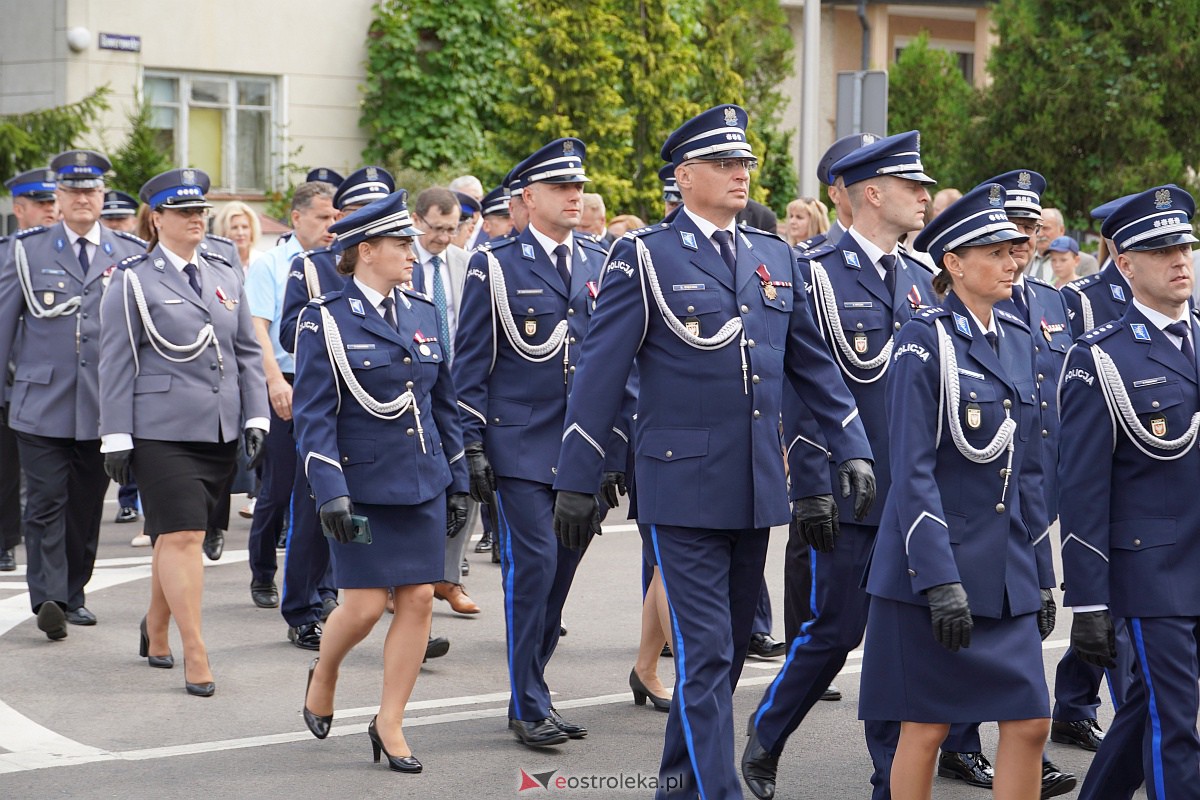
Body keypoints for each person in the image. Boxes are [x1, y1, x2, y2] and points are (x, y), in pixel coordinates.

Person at [551, 104, 874, 799]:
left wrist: (852, 446)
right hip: (682, 484)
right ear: (684, 176)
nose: (740, 173)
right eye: (725, 164)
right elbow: (601, 376)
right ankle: (715, 790)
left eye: (746, 164)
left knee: (721, 661)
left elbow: (812, 363)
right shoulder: (646, 255)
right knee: (708, 654)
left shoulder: (774, 256)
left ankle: (676, 783)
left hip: (754, 485)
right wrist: (578, 475)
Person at [742, 130, 938, 800]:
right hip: (846, 490)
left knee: (900, 637)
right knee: (836, 630)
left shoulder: (919, 277)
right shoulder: (814, 269)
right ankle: (767, 733)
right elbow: (797, 388)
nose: (925, 196)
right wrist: (810, 487)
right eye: (912, 186)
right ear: (872, 193)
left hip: (911, 494)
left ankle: (890, 771)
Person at [858, 182, 1056, 800]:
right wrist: (937, 578)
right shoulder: (925, 339)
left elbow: (1025, 470)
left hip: (1003, 567)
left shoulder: (1019, 337)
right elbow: (911, 469)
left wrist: (1041, 574)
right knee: (926, 726)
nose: (1012, 261)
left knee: (1030, 722)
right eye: (995, 251)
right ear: (953, 263)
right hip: (935, 570)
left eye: (1015, 250)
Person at [453, 137, 621, 749]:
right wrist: (470, 445)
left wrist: (613, 452)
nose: (575, 197)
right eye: (561, 188)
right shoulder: (494, 264)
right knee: (536, 569)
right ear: (528, 197)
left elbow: (615, 367)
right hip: (520, 443)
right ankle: (526, 702)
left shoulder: (602, 261)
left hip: (583, 447)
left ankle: (535, 688)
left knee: (561, 577)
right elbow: (471, 362)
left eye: (579, 187)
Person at [294, 190, 469, 772]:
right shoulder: (325, 320)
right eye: (401, 244)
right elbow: (314, 416)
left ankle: (389, 720)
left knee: (418, 598)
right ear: (366, 251)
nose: (413, 253)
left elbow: (443, 403)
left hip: (422, 478)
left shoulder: (421, 312)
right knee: (365, 607)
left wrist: (461, 477)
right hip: (362, 484)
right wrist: (330, 491)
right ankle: (326, 669)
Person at [98, 168, 268, 694]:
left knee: (177, 538)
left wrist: (256, 413)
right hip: (160, 429)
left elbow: (245, 351)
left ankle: (155, 626)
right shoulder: (133, 277)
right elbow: (116, 361)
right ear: (158, 219)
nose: (197, 219)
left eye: (200, 211)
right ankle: (196, 649)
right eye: (184, 212)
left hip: (218, 427)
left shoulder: (223, 270)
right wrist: (116, 435)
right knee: (184, 536)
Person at [934, 170, 1076, 798]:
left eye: (1027, 230)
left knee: (1016, 635)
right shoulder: (947, 320)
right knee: (966, 636)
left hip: (1032, 482)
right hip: (972, 493)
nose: (1020, 242)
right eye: (1009, 232)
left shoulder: (1049, 304)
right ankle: (960, 746)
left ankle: (1011, 751)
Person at [1058, 184, 1200, 800]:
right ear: (1125, 263)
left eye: (1186, 247)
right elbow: (1082, 487)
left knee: (1147, 705)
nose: (1180, 260)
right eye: (1162, 249)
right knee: (1179, 722)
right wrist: (1089, 600)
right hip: (1153, 568)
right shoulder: (1101, 359)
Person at [0, 150, 146, 639]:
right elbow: (4, 327)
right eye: (73, 191)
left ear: (103, 197)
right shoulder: (25, 250)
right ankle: (48, 598)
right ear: (57, 198)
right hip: (39, 402)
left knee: (85, 503)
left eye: (91, 191)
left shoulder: (128, 251)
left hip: (104, 404)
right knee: (43, 501)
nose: (83, 199)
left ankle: (75, 592)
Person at [243, 181, 337, 634]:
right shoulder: (271, 265)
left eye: (334, 216)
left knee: (323, 488)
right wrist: (275, 381)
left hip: (326, 383)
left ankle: (325, 588)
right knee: (279, 489)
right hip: (286, 380)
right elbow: (259, 329)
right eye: (322, 217)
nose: (329, 225)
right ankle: (263, 571)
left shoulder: (336, 260)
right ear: (296, 217)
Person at [411, 186, 479, 615]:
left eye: (452, 229)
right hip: (414, 386)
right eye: (436, 228)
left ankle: (448, 578)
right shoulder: (400, 260)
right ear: (418, 220)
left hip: (457, 385)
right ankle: (404, 582)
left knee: (466, 478)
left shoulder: (465, 262)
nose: (443, 237)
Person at [0, 167, 60, 573]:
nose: (51, 210)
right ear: (19, 209)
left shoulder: (63, 251)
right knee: (4, 467)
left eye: (53, 203)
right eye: (41, 204)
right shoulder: (6, 252)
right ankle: (4, 540)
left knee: (41, 478)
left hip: (44, 380)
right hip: (8, 378)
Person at [214, 201, 265, 274]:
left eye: (245, 227)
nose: (240, 233)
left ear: (252, 230)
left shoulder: (263, 261)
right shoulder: (215, 264)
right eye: (234, 228)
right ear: (223, 231)